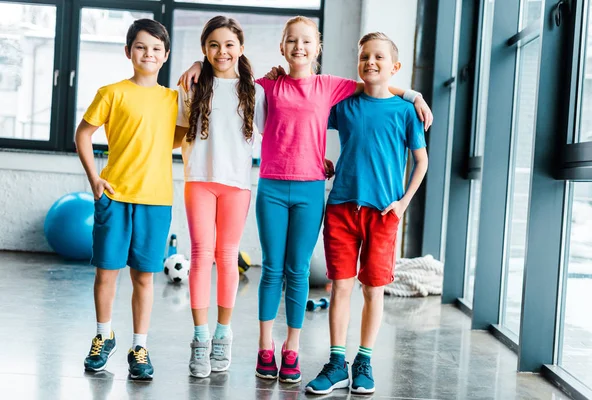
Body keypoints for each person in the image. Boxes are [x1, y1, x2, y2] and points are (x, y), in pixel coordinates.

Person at [178, 16, 432, 384]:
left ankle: (291, 349)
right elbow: (229, 74)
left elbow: (377, 85)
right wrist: (199, 63)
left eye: (307, 41)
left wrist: (414, 95)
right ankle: (266, 347)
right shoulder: (265, 85)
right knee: (272, 271)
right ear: (282, 47)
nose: (299, 47)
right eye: (291, 41)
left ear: (318, 49)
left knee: (297, 271)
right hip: (272, 188)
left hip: (312, 189)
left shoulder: (332, 86)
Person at [305, 32, 428, 395]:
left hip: (383, 214)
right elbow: (308, 122)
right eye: (364, 58)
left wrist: (403, 204)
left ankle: (364, 361)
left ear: (395, 67)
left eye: (378, 57)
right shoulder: (345, 105)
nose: (371, 63)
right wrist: (318, 160)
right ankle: (337, 362)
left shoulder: (406, 111)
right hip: (342, 209)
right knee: (341, 286)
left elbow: (421, 162)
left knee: (373, 290)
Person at [75, 19, 177, 381]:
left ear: (165, 56)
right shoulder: (112, 92)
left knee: (144, 278)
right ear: (128, 51)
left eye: (155, 48)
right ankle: (104, 336)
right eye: (140, 47)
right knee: (106, 272)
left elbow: (176, 140)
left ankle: (139, 345)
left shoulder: (173, 99)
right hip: (115, 196)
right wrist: (95, 179)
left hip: (156, 201)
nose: (148, 53)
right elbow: (83, 134)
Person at [173, 15, 267, 378]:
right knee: (200, 257)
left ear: (240, 48)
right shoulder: (192, 85)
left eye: (229, 44)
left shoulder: (255, 91)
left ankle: (223, 335)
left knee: (227, 258)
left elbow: (275, 135)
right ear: (204, 49)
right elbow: (178, 133)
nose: (221, 51)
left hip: (236, 186)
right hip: (199, 180)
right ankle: (200, 338)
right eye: (213, 45)